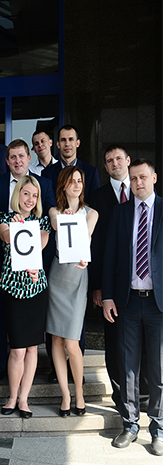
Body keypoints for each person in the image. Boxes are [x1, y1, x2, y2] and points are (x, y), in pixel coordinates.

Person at [103, 159, 163, 456]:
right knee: (128, 367)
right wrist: (108, 296)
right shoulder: (121, 212)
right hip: (127, 303)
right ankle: (130, 425)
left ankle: (158, 429)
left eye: (143, 177)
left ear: (154, 178)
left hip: (158, 305)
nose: (138, 182)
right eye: (134, 178)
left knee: (158, 369)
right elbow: (110, 255)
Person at [0, 140, 56, 385]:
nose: (17, 161)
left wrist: (36, 262)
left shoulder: (44, 184)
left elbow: (49, 218)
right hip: (3, 265)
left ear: (29, 158)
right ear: (7, 161)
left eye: (21, 156)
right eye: (13, 157)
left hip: (34, 271)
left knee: (31, 339)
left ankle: (39, 374)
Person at [88, 145, 148, 411]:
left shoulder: (143, 195)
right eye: (109, 160)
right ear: (105, 166)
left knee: (145, 342)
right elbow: (96, 246)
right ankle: (120, 396)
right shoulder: (96, 197)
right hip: (110, 284)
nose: (115, 163)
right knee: (113, 342)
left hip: (142, 283)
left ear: (128, 161)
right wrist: (98, 286)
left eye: (118, 159)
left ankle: (144, 396)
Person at [0, 175, 51, 418]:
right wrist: (16, 226)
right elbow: (6, 236)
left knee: (32, 348)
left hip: (36, 289)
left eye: (34, 195)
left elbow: (40, 244)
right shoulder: (5, 218)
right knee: (17, 349)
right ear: (18, 194)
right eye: (26, 193)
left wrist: (27, 229)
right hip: (13, 289)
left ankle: (23, 399)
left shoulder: (43, 222)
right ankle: (11, 397)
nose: (30, 199)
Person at [47, 167, 98, 417]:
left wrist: (74, 222)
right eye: (72, 181)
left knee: (72, 342)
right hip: (57, 276)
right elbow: (56, 224)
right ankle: (65, 395)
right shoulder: (54, 211)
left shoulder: (92, 213)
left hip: (78, 275)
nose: (77, 185)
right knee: (56, 340)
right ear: (63, 185)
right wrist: (65, 217)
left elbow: (85, 235)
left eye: (80, 181)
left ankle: (79, 393)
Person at [41, 124, 100, 196]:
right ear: (58, 144)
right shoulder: (47, 173)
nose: (67, 144)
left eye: (71, 139)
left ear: (77, 143)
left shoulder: (91, 172)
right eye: (63, 140)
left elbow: (95, 200)